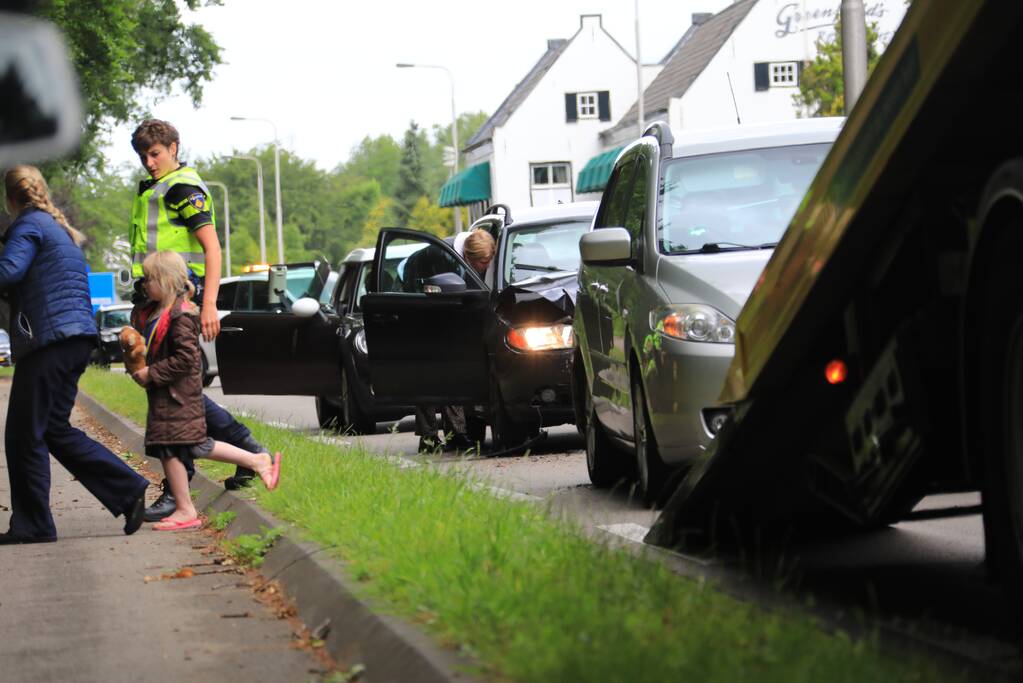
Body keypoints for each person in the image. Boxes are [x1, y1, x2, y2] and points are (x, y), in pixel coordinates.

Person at [0, 165, 148, 544]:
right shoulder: (58, 229)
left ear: (10, 199)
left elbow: (8, 273)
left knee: (22, 434)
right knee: (51, 428)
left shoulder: (28, 225)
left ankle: (33, 524)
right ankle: (127, 489)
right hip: (73, 339)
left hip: (50, 342)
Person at [128, 119, 264, 521]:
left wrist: (209, 305)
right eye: (143, 156)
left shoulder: (183, 188)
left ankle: (183, 485)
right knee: (177, 394)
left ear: (174, 147)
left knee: (176, 393)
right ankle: (242, 452)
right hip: (155, 299)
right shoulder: (155, 189)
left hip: (178, 301)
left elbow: (212, 248)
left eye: (155, 153)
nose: (149, 162)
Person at [131, 251, 281, 530]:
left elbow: (187, 359)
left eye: (149, 279)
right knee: (172, 447)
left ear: (165, 281)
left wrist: (152, 373)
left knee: (189, 445)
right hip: (166, 393)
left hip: (178, 394)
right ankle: (188, 505)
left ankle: (255, 459)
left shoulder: (180, 316)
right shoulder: (159, 312)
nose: (144, 284)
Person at [413, 229, 497, 452]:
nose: (486, 266)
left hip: (450, 317)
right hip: (423, 312)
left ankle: (456, 434)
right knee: (428, 375)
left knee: (453, 372)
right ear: (468, 257)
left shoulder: (469, 258)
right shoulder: (441, 258)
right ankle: (428, 437)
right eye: (483, 262)